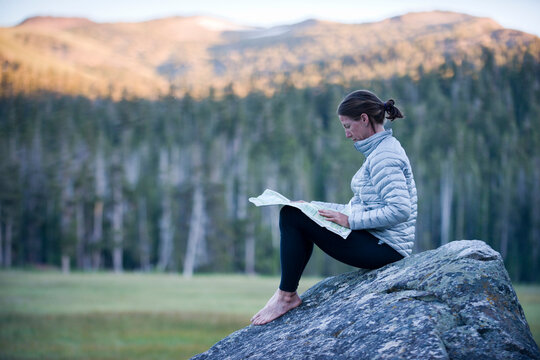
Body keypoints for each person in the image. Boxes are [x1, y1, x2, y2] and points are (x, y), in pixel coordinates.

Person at [250, 90, 418, 326]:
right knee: (295, 212)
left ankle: (286, 297)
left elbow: (400, 210)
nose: (347, 134)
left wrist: (349, 222)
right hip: (376, 239)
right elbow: (358, 207)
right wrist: (312, 207)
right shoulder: (380, 151)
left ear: (364, 119)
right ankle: (286, 295)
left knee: (291, 217)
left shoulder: (384, 157)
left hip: (385, 248)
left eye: (348, 126)